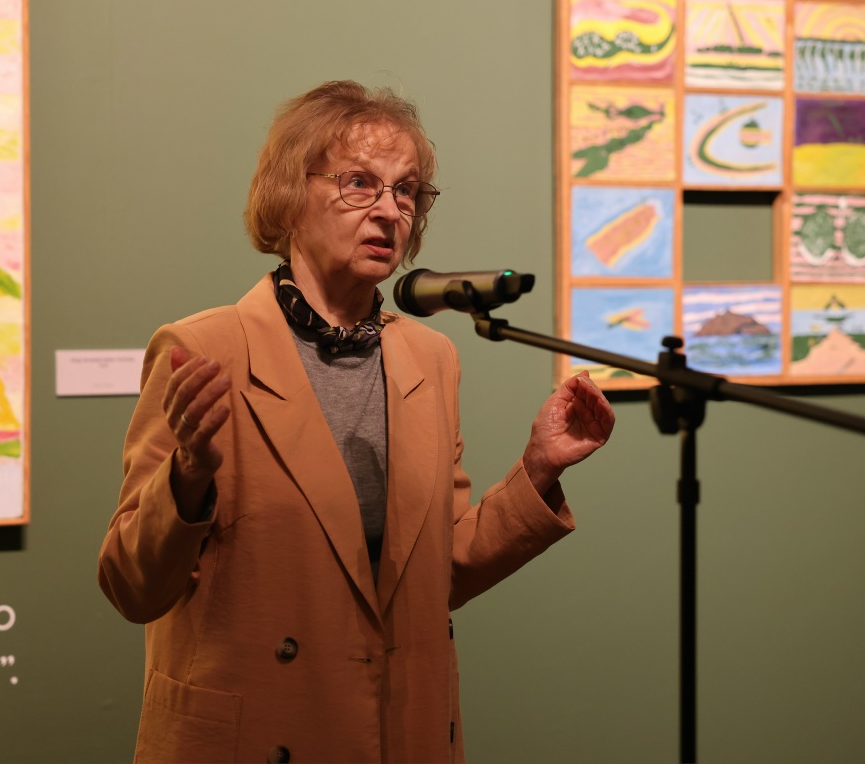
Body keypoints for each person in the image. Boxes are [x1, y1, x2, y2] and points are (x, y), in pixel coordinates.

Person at [98, 81, 615, 764]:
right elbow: (132, 586)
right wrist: (187, 478)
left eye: (407, 191)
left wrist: (538, 469)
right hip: (256, 735)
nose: (390, 211)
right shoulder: (204, 349)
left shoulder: (430, 356)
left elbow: (438, 574)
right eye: (360, 183)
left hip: (396, 735)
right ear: (290, 194)